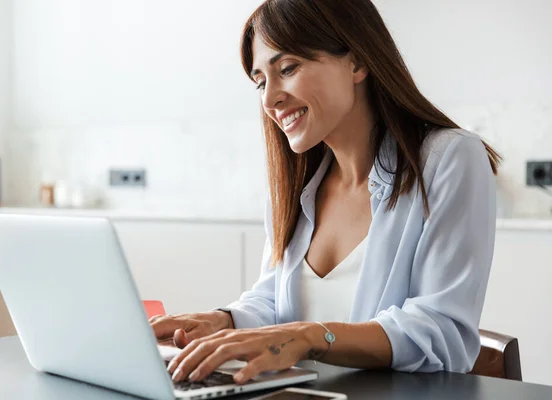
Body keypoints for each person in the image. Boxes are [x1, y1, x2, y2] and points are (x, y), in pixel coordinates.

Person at [150, 0, 501, 385]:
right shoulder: (296, 185)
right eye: (260, 82)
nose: (270, 100)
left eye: (287, 69)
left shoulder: (448, 159)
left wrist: (311, 337)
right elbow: (274, 302)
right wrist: (225, 320)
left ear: (357, 63)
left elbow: (442, 331)